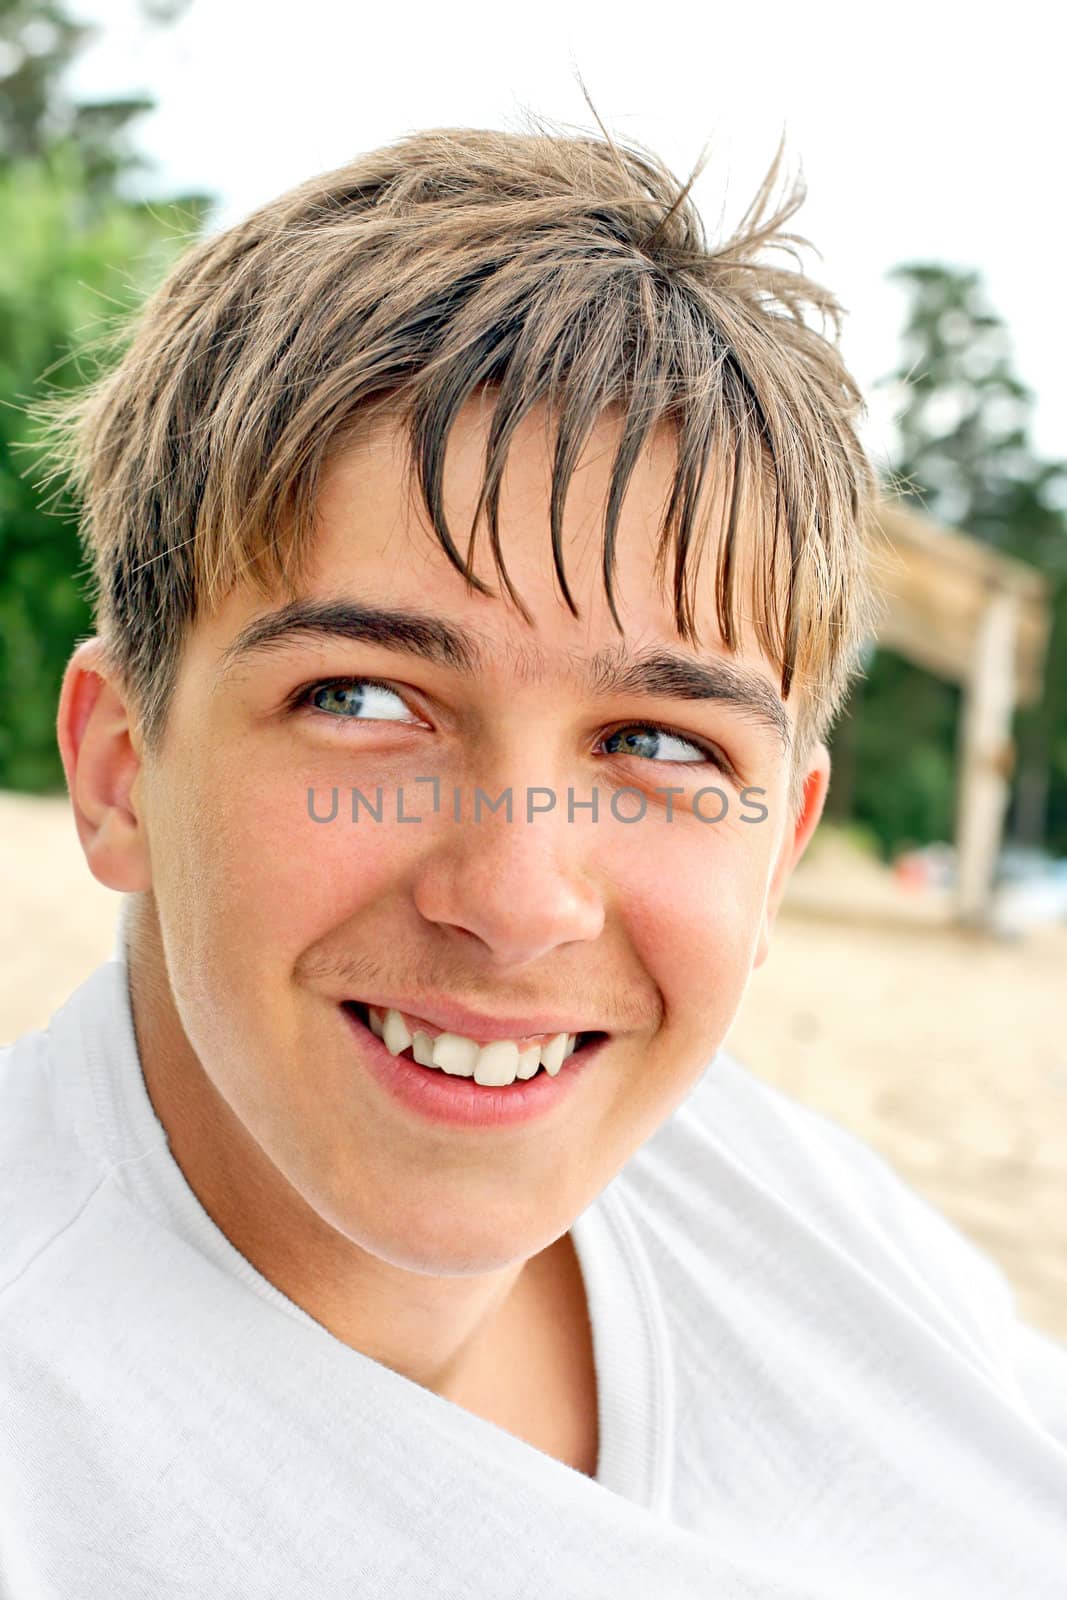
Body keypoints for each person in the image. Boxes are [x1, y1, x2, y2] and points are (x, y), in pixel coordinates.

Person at [2, 124, 1064, 1598]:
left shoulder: (797, 1212)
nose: (513, 901)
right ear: (120, 767)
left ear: (780, 846)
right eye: (363, 702)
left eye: (663, 746)